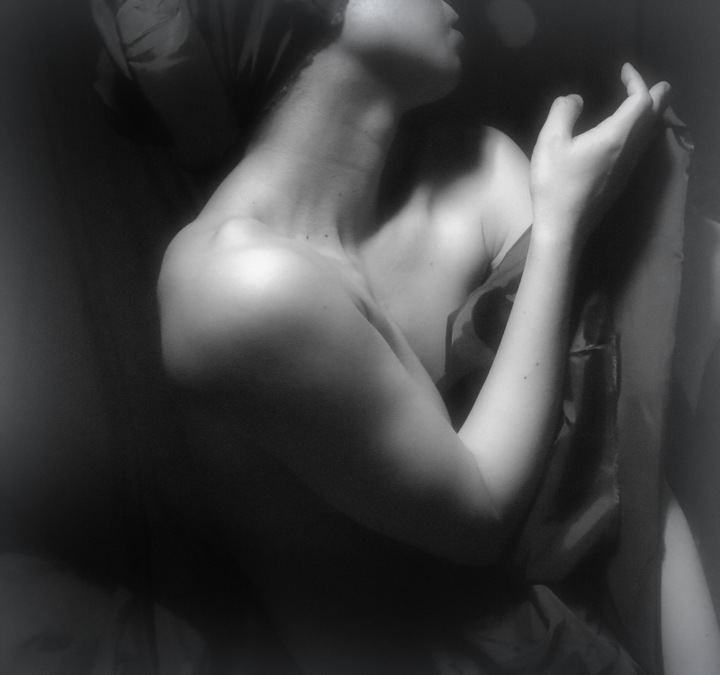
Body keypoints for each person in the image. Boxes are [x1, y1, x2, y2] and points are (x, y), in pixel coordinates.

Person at [157, 0, 720, 672]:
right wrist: (561, 224)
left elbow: (624, 463)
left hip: (583, 617)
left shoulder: (478, 170)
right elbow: (479, 516)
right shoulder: (236, 287)